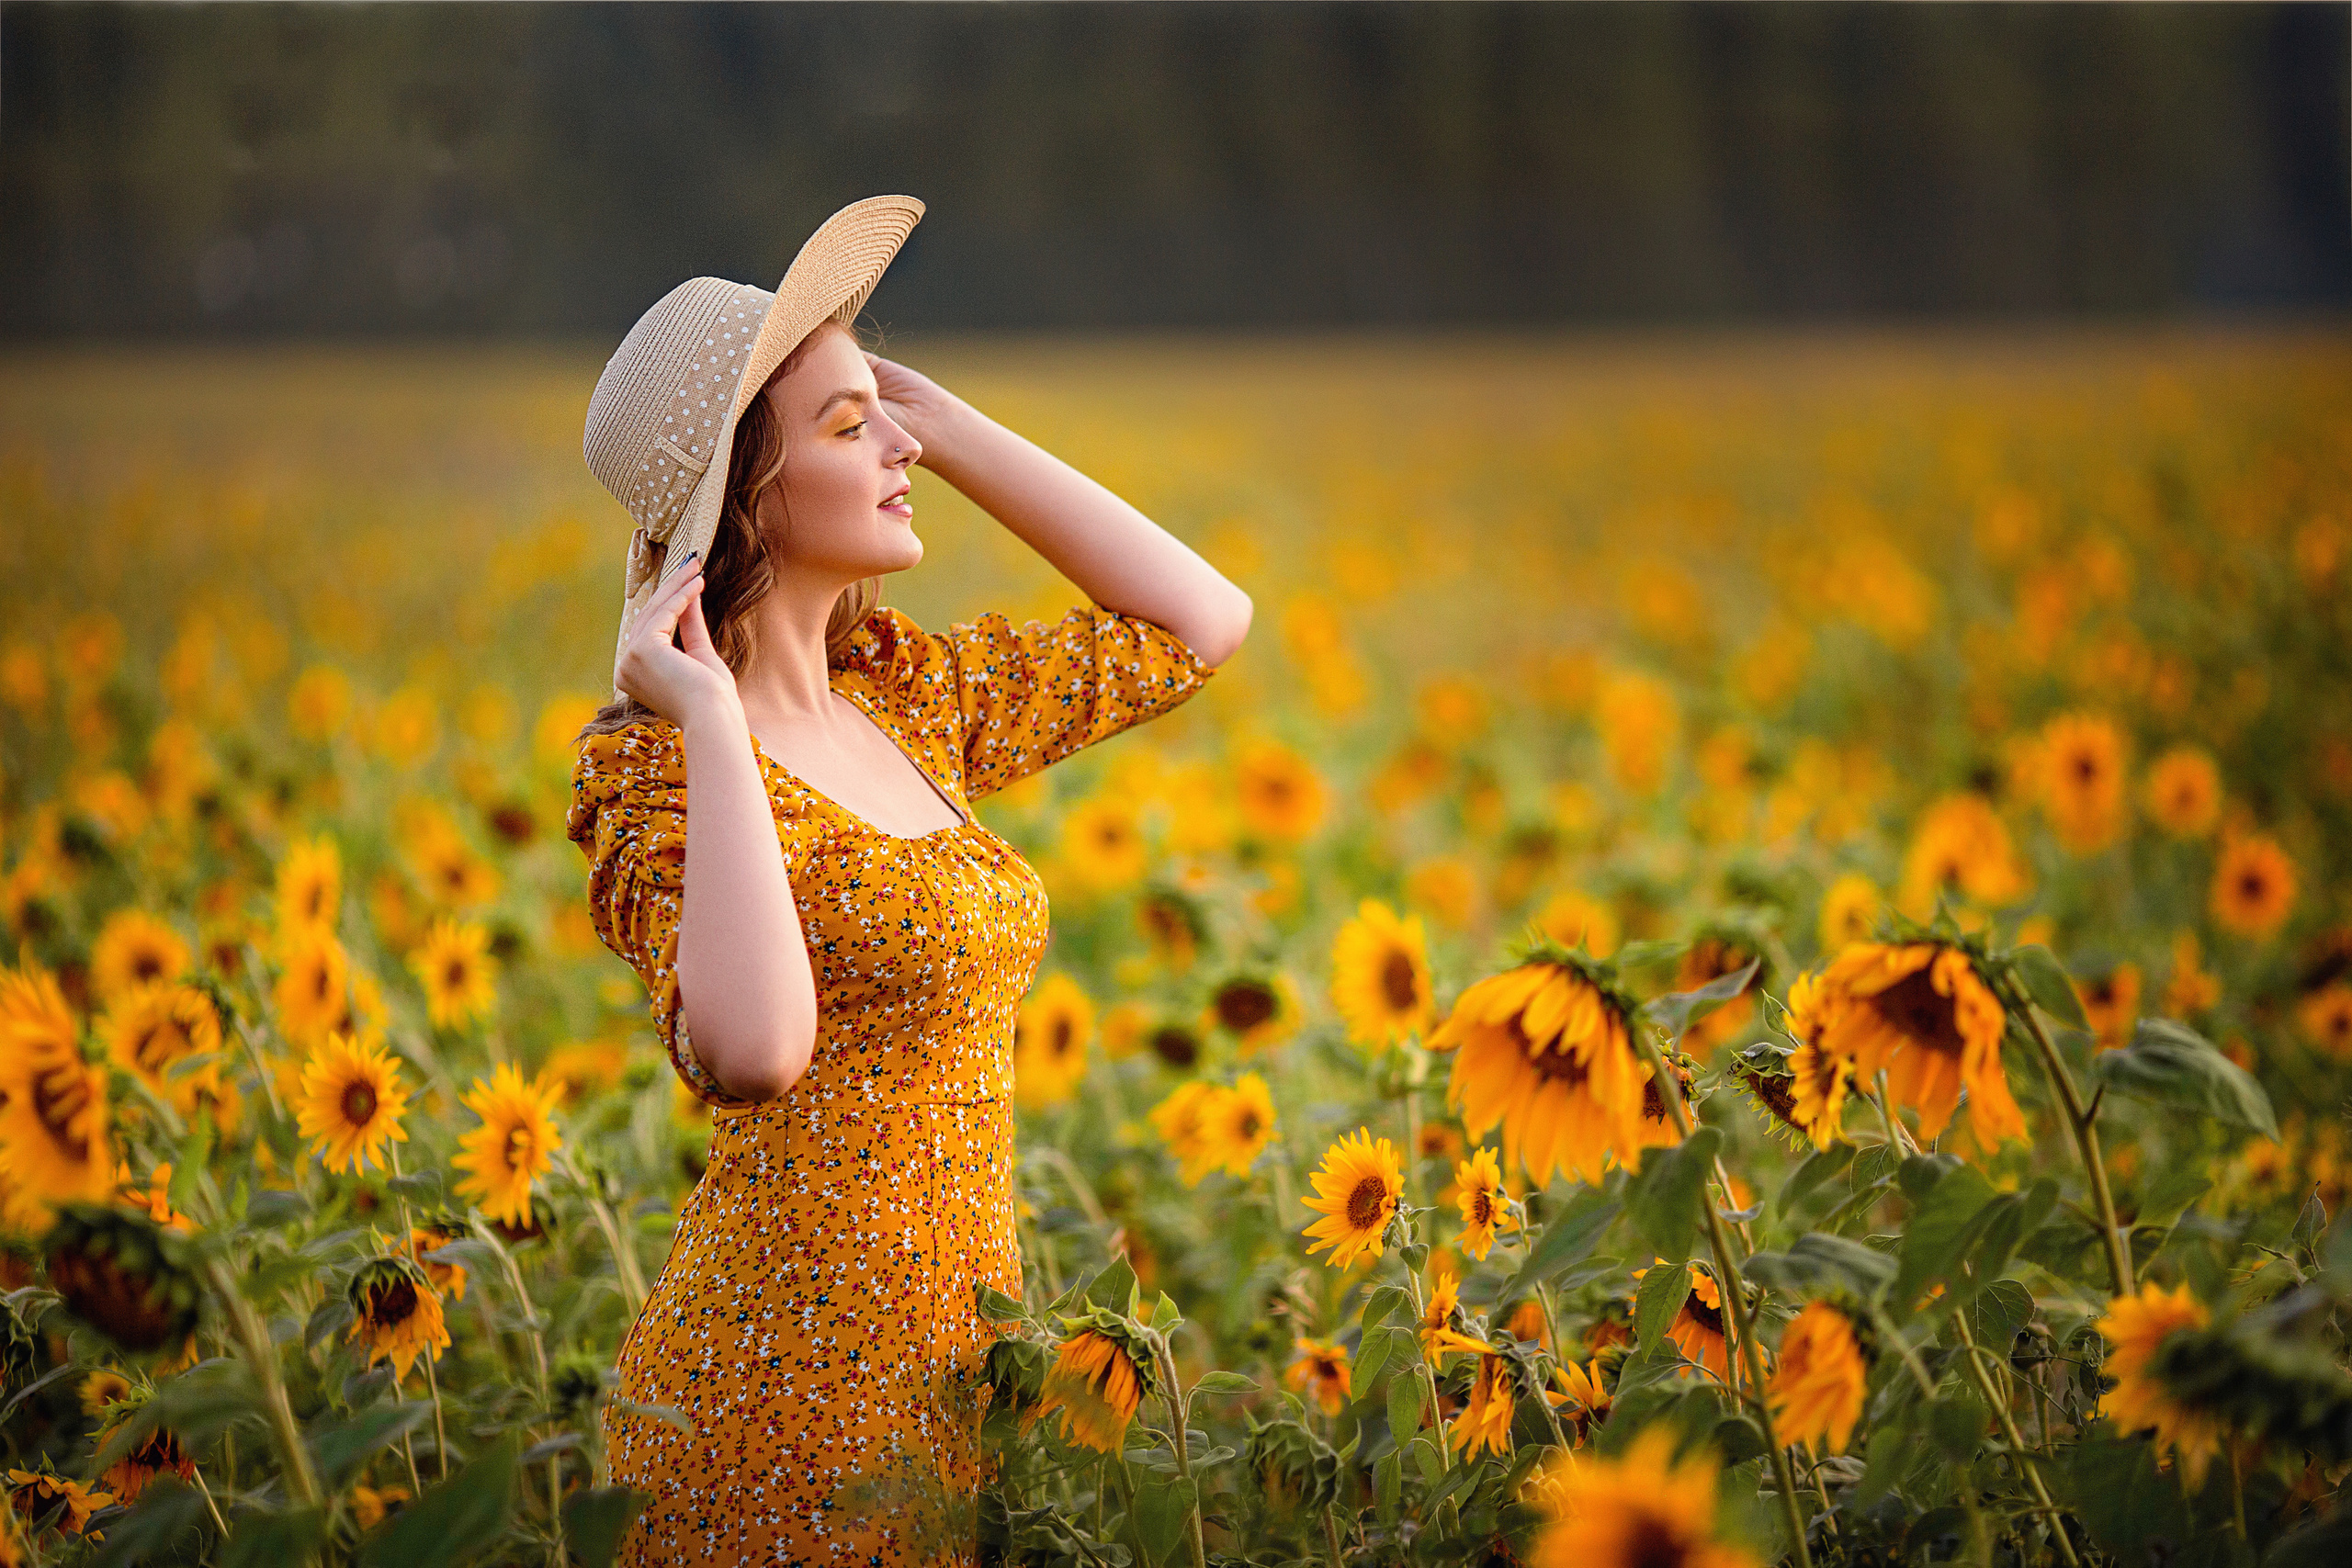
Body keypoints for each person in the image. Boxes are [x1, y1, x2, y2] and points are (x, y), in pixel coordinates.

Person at [563, 196, 1250, 1565]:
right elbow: (755, 1052)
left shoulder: (907, 700)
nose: (897, 451)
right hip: (772, 1405)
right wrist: (706, 719)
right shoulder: (656, 778)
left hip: (952, 1378)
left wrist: (932, 412)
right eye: (845, 429)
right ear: (745, 497)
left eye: (887, 415)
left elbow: (1199, 624)